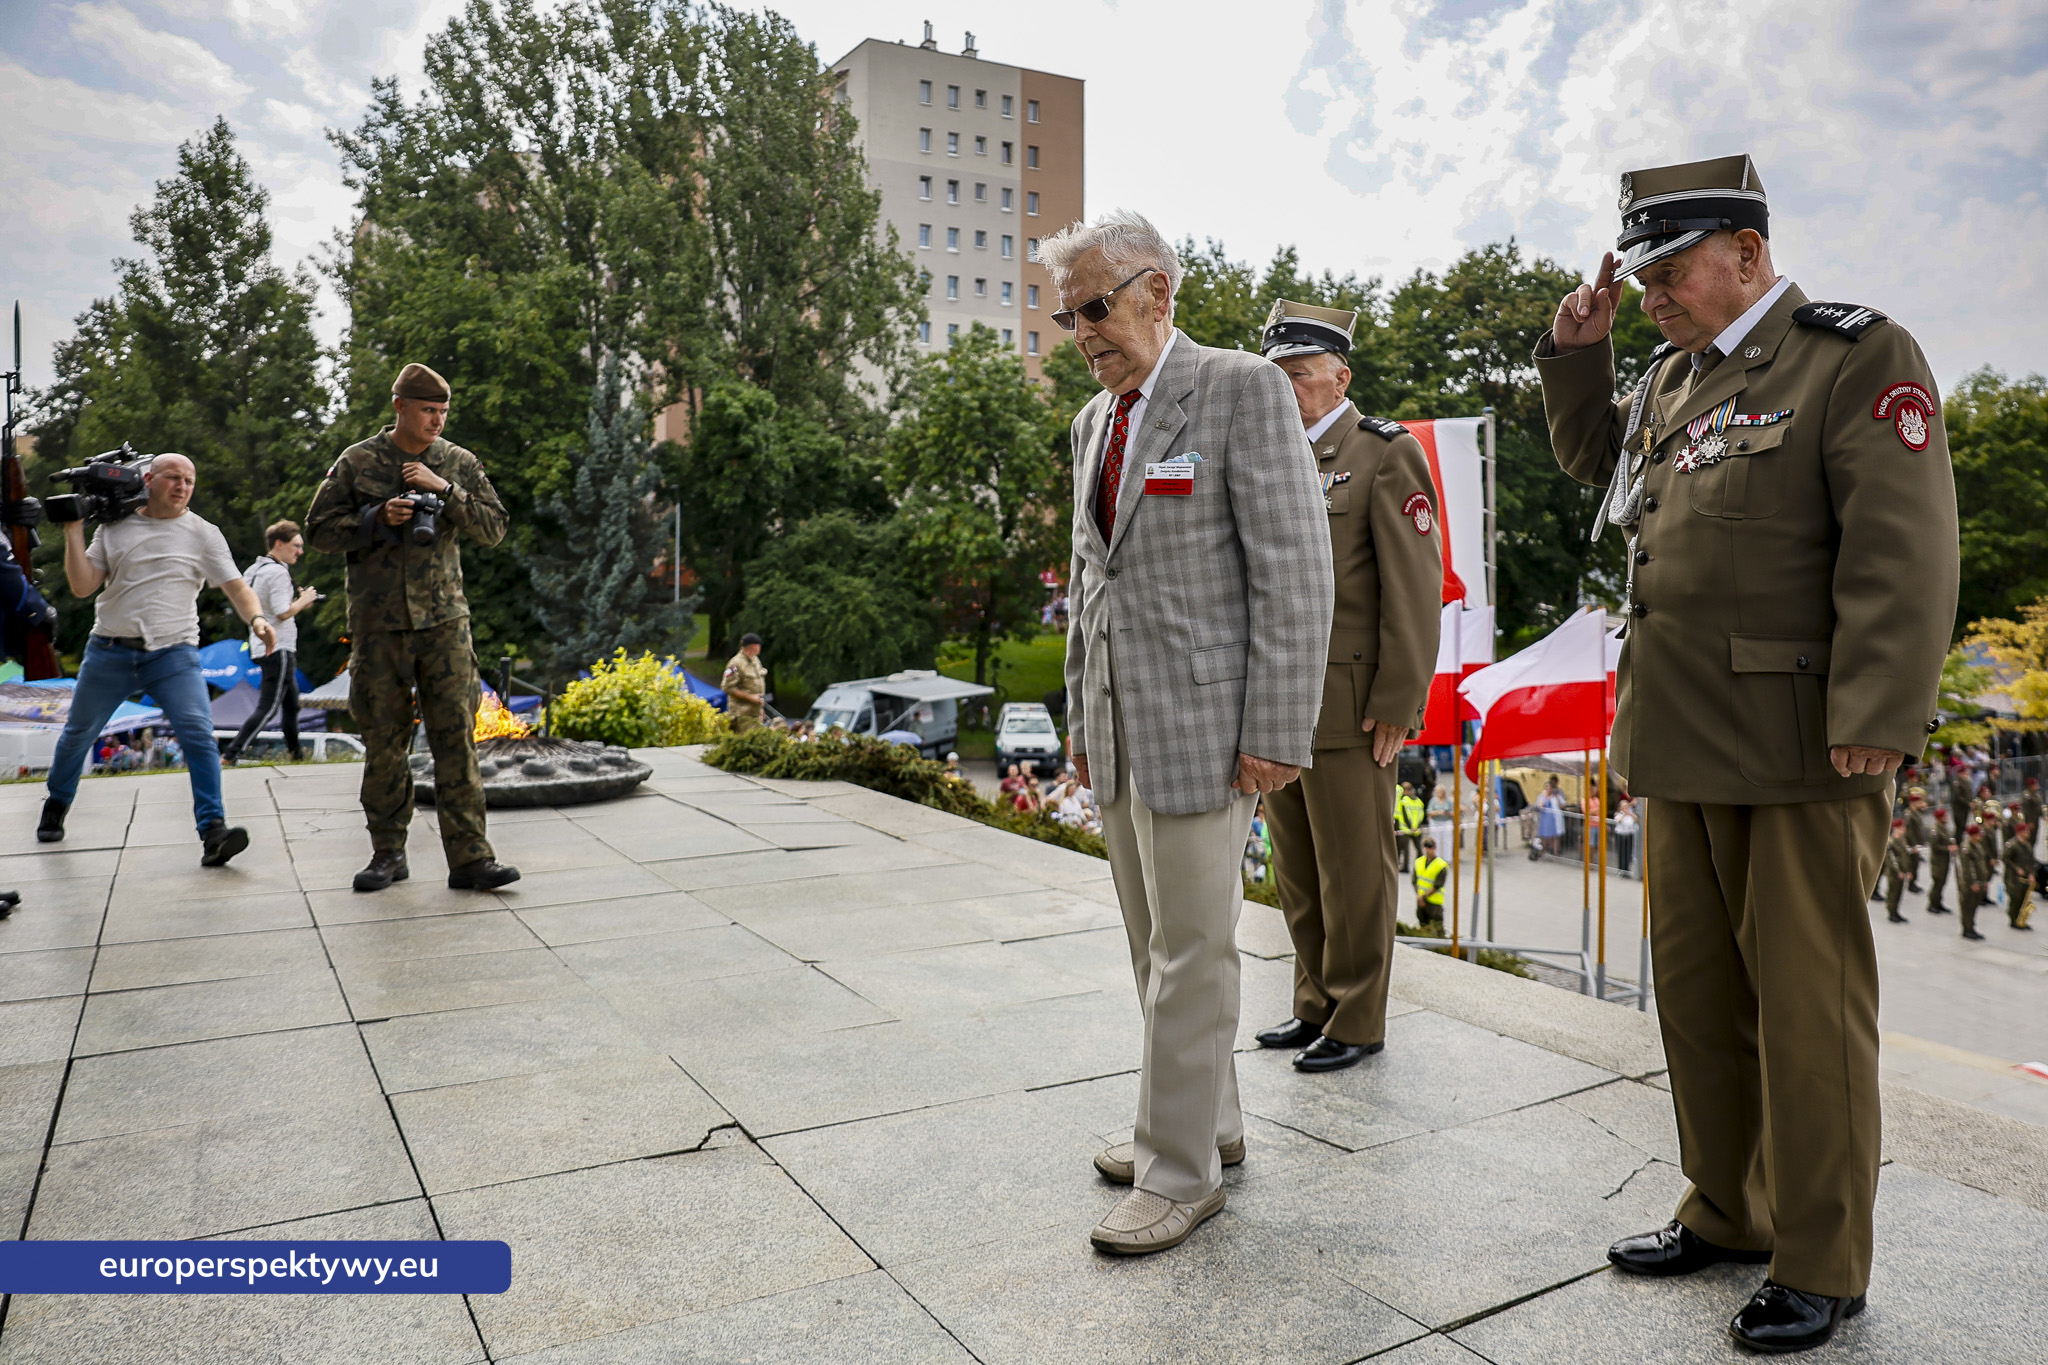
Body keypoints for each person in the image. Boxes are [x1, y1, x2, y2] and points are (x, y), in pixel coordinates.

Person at [1538, 154, 1957, 1353]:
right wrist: (1580, 356)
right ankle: (1724, 1209)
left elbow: (1902, 545)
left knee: (1807, 1013)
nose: (1655, 292)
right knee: (1699, 999)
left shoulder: (1851, 355)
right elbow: (1598, 469)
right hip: (1675, 742)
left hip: (1800, 751)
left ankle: (1821, 1261)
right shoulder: (1676, 376)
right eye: (1644, 272)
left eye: (1670, 270)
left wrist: (1877, 714)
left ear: (1747, 255)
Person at [1048, 211, 1332, 1256]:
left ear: (1157, 292)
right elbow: (1092, 587)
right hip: (1123, 732)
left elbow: (1295, 574)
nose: (1079, 330)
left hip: (1212, 734)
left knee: (1195, 955)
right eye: (1067, 313)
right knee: (1153, 944)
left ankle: (1177, 1176)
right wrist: (1080, 720)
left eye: (1094, 306)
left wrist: (1275, 730)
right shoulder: (1094, 422)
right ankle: (1204, 1123)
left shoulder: (1240, 389)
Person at [1255, 298, 1442, 1076]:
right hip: (1273, 705)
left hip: (1350, 705)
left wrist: (1399, 701)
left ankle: (1360, 1016)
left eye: (1300, 375)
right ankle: (1315, 1003)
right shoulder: (1265, 454)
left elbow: (1414, 587)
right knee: (1295, 868)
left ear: (1340, 377)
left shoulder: (1381, 454)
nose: (1288, 389)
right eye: (1279, 376)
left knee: (1355, 869)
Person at [306, 362, 519, 893]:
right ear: (399, 405)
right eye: (428, 410)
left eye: (444, 411)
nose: (437, 421)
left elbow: (494, 528)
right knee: (384, 741)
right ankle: (387, 854)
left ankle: (471, 859)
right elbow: (319, 532)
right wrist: (376, 518)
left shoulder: (457, 462)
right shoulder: (358, 462)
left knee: (456, 741)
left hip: (445, 624)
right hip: (380, 627)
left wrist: (444, 490)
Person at [37, 454, 271, 864]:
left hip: (173, 653)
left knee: (198, 734)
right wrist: (73, 530)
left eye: (189, 480)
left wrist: (257, 619)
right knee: (78, 733)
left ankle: (213, 831)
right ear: (149, 479)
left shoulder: (202, 533)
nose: (182, 486)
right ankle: (56, 803)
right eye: (173, 478)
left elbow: (237, 587)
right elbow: (82, 586)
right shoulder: (115, 527)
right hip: (110, 651)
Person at [221, 520, 320, 765]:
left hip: (259, 642)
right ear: (279, 544)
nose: (300, 551)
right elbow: (283, 612)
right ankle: (231, 754)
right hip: (279, 646)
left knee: (292, 704)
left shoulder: (254, 570)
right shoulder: (277, 572)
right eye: (296, 546)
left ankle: (296, 755)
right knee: (269, 706)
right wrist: (305, 599)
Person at [721, 632, 767, 732]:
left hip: (755, 713)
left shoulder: (755, 661)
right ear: (754, 646)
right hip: (742, 714)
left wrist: (760, 708)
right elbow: (727, 687)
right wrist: (751, 698)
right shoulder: (735, 663)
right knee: (747, 744)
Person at [1959, 823, 1992, 941]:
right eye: (1978, 834)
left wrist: (1984, 881)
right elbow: (1968, 868)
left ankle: (1971, 927)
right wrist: (1973, 882)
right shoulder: (1967, 848)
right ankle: (1967, 929)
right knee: (1968, 906)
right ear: (1972, 835)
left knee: (1973, 906)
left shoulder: (1978, 845)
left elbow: (1981, 864)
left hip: (1979, 881)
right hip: (1971, 884)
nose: (1980, 836)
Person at [2004, 823, 2035, 930]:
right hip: (2013, 878)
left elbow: (2031, 861)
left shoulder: (2027, 845)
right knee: (2015, 898)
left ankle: (2021, 920)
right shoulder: (2012, 844)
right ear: (2019, 832)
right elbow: (2006, 859)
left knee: (2023, 899)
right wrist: (2016, 868)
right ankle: (2013, 920)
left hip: (2025, 878)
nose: (2027, 833)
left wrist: (2031, 874)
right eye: (2025, 831)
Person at [1413, 836, 1448, 927]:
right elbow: (1414, 881)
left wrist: (1423, 898)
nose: (1428, 850)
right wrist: (1419, 896)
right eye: (1426, 847)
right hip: (1421, 900)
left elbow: (1438, 884)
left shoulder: (1441, 865)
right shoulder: (1418, 862)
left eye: (1430, 847)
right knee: (1423, 926)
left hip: (1434, 902)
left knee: (1437, 927)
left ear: (1435, 848)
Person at [1394, 781, 1427, 874]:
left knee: (1404, 849)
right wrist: (1417, 826)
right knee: (1418, 849)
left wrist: (1410, 827)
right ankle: (1421, 867)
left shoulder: (1404, 801)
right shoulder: (1418, 801)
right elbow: (1421, 815)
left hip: (1406, 829)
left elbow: (1404, 816)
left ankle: (1405, 867)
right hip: (1416, 828)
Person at [1925, 809, 1954, 914]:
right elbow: (1935, 846)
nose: (1947, 818)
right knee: (1937, 883)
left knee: (1942, 883)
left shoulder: (1944, 828)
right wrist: (1948, 848)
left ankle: (1938, 902)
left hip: (1944, 861)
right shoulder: (1935, 830)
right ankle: (1932, 904)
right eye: (1945, 816)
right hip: (1938, 862)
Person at [1901, 787, 1930, 892]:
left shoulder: (1916, 812)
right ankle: (1911, 884)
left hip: (1917, 843)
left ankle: (1913, 882)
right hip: (1912, 844)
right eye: (1919, 801)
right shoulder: (1908, 814)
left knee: (1916, 863)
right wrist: (1913, 845)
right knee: (1912, 864)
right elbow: (1909, 832)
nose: (1921, 803)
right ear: (1913, 802)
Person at [1881, 819, 1910, 924]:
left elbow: (1905, 856)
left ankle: (1896, 911)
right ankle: (1891, 912)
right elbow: (1891, 859)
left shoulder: (1902, 840)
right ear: (1895, 829)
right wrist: (1899, 871)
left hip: (1902, 872)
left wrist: (1907, 871)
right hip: (1894, 873)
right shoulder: (1891, 842)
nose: (1903, 830)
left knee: (1898, 893)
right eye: (1901, 828)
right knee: (1893, 892)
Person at [1536, 776, 1566, 857]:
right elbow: (1540, 807)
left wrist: (1558, 798)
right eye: (1547, 788)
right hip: (1545, 819)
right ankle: (1543, 850)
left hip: (1555, 819)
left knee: (1555, 836)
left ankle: (1555, 852)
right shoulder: (1541, 796)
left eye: (1550, 788)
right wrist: (1543, 796)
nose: (1548, 789)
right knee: (1545, 836)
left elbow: (1563, 806)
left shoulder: (1556, 796)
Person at [1613, 795, 1640, 877]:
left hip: (1629, 834)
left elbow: (1637, 820)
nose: (1625, 808)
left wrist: (1630, 814)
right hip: (1621, 835)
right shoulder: (1618, 814)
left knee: (1628, 853)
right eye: (1624, 807)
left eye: (1626, 806)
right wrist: (1624, 814)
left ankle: (1627, 870)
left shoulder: (1631, 814)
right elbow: (1618, 821)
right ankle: (1621, 870)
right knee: (1621, 853)